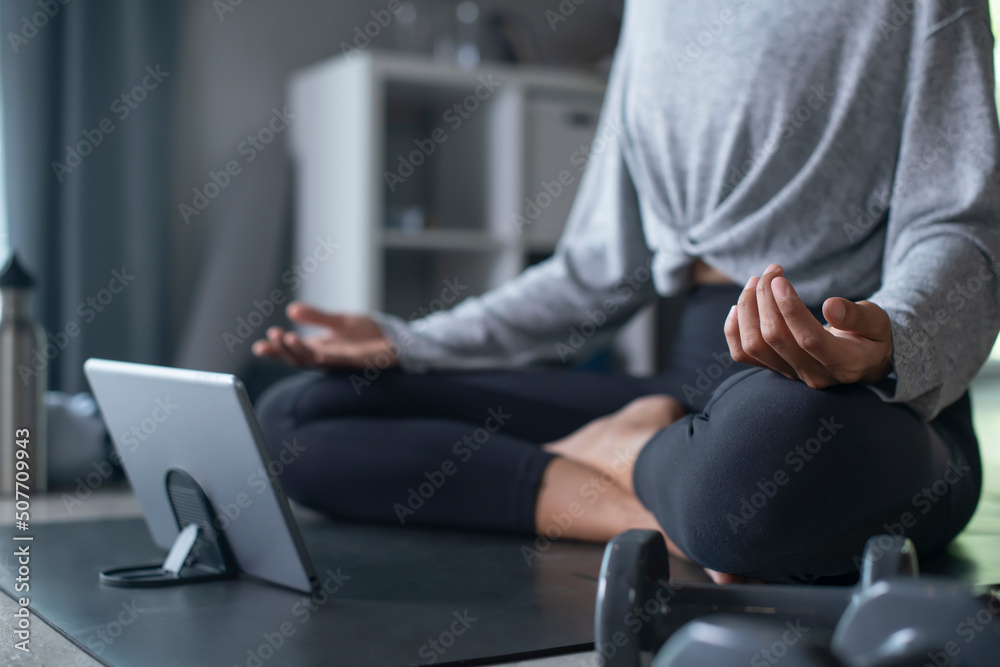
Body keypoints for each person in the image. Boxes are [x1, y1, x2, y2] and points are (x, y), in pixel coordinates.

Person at [253, 0, 1000, 584]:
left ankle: (652, 458)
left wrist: (891, 333)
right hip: (690, 390)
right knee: (299, 411)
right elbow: (594, 271)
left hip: (849, 400)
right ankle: (639, 485)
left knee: (761, 457)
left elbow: (957, 224)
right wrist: (410, 341)